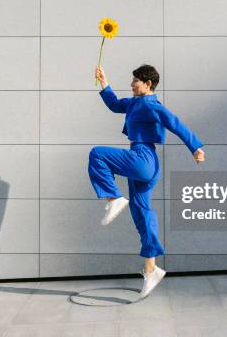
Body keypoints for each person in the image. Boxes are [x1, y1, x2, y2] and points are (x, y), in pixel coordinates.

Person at [88, 63, 205, 298]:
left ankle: (113, 197)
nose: (131, 84)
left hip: (142, 158)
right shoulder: (133, 103)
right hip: (146, 164)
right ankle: (151, 270)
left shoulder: (151, 105)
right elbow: (113, 104)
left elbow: (176, 123)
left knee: (97, 154)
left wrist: (196, 147)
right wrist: (104, 82)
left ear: (148, 84)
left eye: (135, 81)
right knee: (142, 211)